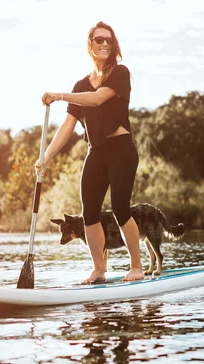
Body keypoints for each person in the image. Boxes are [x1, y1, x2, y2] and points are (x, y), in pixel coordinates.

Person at [36, 21, 143, 283]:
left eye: (109, 39)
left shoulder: (120, 73)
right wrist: (46, 157)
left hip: (121, 149)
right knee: (90, 213)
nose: (104, 43)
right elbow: (68, 125)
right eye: (99, 40)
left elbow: (96, 98)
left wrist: (60, 95)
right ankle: (99, 270)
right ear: (90, 45)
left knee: (120, 208)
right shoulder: (81, 84)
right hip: (96, 152)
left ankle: (137, 267)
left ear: (114, 44)